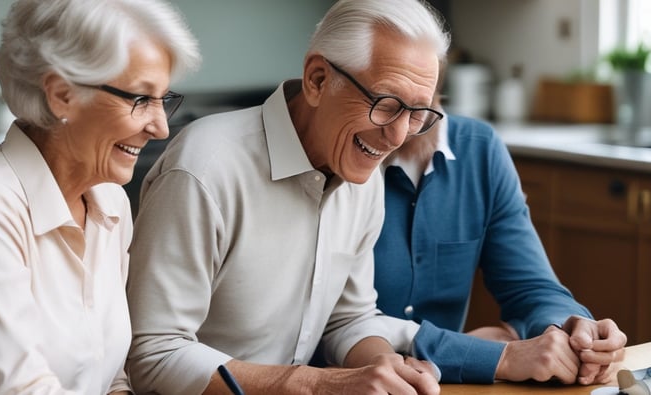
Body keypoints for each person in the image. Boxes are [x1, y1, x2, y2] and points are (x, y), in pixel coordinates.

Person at [125, 0, 449, 394]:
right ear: (317, 80)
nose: (398, 138)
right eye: (386, 104)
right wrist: (315, 385)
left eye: (417, 113)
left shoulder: (362, 171)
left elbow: (348, 320)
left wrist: (385, 370)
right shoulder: (205, 167)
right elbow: (153, 354)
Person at [0, 0, 200, 393]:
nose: (161, 127)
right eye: (140, 99)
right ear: (62, 95)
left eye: (164, 98)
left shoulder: (109, 202)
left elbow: (112, 375)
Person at [373, 92, 628, 384]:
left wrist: (571, 329)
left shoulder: (480, 149)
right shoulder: (348, 155)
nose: (403, 125)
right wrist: (490, 353)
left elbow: (530, 286)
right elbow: (342, 324)